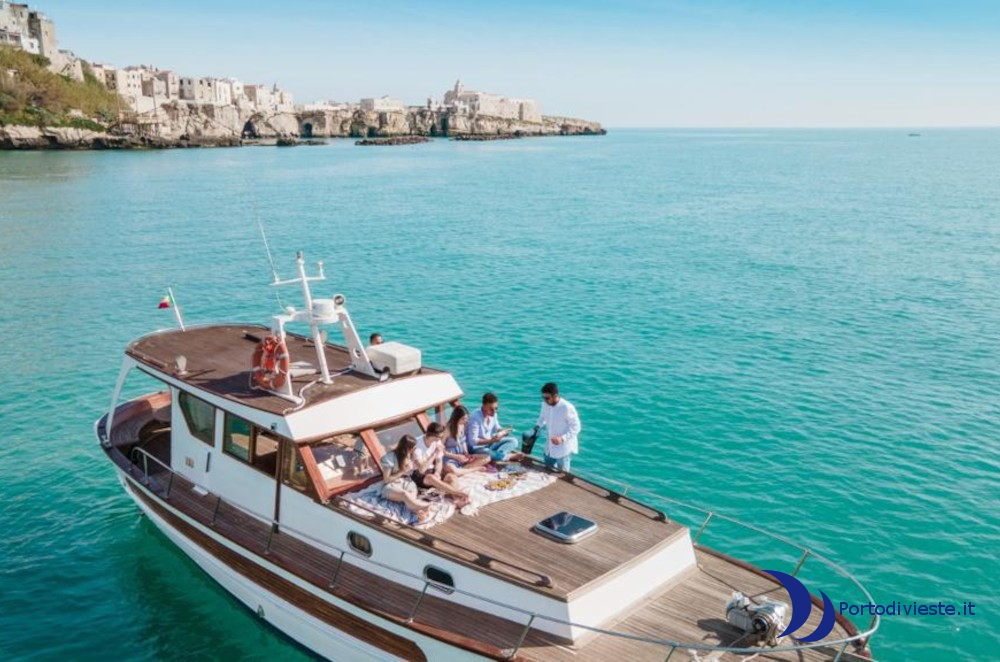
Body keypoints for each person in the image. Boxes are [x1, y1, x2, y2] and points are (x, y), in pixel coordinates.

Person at [416, 424, 472, 506]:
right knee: (431, 478)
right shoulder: (417, 444)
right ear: (435, 436)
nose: (442, 439)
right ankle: (458, 493)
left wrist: (437, 472)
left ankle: (455, 498)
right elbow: (421, 469)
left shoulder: (437, 442)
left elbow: (439, 461)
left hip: (433, 471)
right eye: (441, 436)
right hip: (419, 475)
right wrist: (433, 455)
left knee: (451, 476)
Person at [380, 434, 432, 521]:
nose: (414, 449)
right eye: (413, 448)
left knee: (410, 499)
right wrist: (402, 471)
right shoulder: (390, 457)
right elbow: (386, 480)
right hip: (392, 485)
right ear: (407, 448)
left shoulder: (411, 455)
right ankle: (423, 507)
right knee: (404, 494)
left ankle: (419, 514)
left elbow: (422, 469)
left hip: (407, 482)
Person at [532, 382, 581, 472]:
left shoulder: (567, 407)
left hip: (563, 448)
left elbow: (576, 427)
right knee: (546, 471)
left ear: (555, 396)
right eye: (543, 397)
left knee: (562, 475)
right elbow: (542, 418)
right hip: (549, 446)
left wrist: (562, 438)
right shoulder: (544, 404)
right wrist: (537, 427)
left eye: (547, 398)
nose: (545, 400)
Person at [466, 392, 519, 462]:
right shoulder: (475, 418)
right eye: (491, 409)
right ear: (484, 406)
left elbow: (497, 428)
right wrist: (491, 440)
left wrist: (505, 430)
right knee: (487, 453)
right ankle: (507, 456)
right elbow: (473, 442)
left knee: (514, 441)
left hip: (489, 443)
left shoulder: (493, 414)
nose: (494, 412)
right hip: (476, 448)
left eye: (496, 408)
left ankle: (499, 455)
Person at [441, 405, 491, 477]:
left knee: (487, 458)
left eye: (467, 418)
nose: (466, 421)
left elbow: (463, 441)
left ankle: (462, 470)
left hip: (461, 456)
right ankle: (475, 469)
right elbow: (440, 449)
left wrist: (466, 454)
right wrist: (456, 457)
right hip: (449, 458)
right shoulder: (447, 429)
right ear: (457, 418)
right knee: (452, 470)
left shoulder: (462, 425)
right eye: (463, 419)